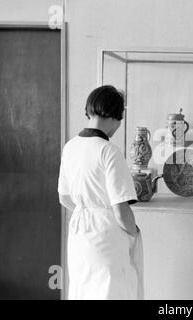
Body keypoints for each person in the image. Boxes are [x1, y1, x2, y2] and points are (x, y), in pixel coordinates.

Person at [58, 85, 143, 300]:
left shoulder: (70, 147)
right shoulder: (109, 151)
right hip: (106, 237)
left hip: (79, 234)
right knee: (111, 292)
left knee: (82, 291)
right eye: (120, 119)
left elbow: (64, 197)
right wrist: (134, 233)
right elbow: (121, 210)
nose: (118, 125)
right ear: (114, 116)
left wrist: (88, 209)